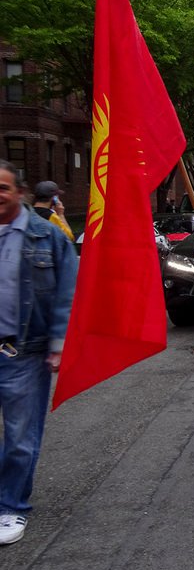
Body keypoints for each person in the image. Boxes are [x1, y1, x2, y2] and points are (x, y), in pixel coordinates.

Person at [0, 161, 78, 545]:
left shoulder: (47, 236)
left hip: (23, 351)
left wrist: (58, 343)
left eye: (3, 187)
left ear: (21, 192)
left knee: (19, 435)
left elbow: (67, 293)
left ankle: (11, 506)